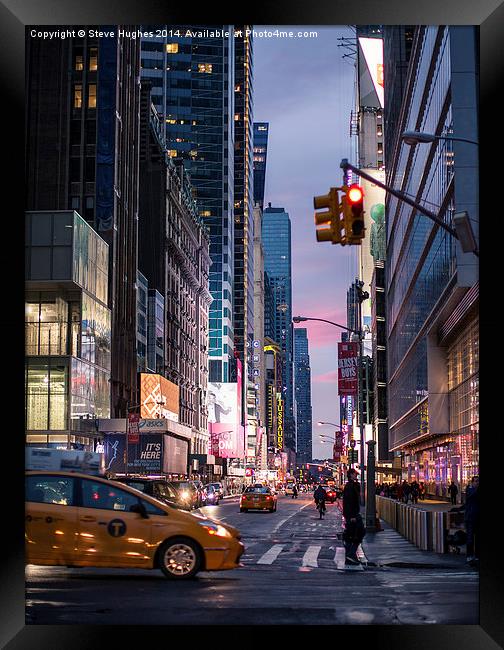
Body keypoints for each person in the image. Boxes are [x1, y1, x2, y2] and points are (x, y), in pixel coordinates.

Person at [342, 468, 365, 565]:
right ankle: (350, 554)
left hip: (352, 513)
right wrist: (351, 515)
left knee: (352, 534)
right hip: (352, 514)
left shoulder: (352, 485)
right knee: (358, 533)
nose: (356, 475)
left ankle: (350, 556)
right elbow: (349, 502)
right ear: (351, 475)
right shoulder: (350, 486)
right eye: (355, 474)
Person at [464, 476, 479, 563]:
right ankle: (469, 555)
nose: (477, 483)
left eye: (478, 481)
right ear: (472, 482)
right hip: (470, 518)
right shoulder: (469, 489)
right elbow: (471, 495)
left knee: (477, 538)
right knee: (470, 538)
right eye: (476, 481)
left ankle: (477, 555)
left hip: (477, 517)